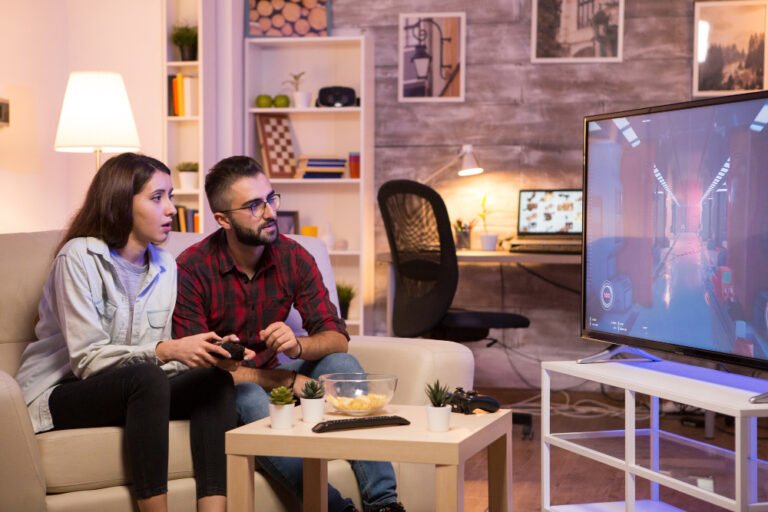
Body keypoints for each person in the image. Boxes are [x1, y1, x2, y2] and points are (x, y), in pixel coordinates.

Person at [15, 153, 252, 512]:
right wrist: (168, 351)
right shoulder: (78, 257)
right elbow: (87, 360)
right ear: (121, 202)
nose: (171, 208)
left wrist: (204, 352)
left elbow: (154, 359)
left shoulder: (165, 266)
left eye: (170, 196)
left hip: (131, 388)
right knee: (146, 376)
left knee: (212, 380)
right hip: (60, 392)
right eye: (157, 198)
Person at [172, 156, 405, 512]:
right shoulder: (192, 269)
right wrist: (284, 378)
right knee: (249, 396)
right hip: (229, 390)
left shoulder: (294, 256)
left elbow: (336, 336)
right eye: (253, 205)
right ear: (223, 220)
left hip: (282, 381)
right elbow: (199, 370)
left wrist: (298, 345)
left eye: (271, 198)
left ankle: (385, 505)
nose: (269, 212)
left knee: (342, 362)